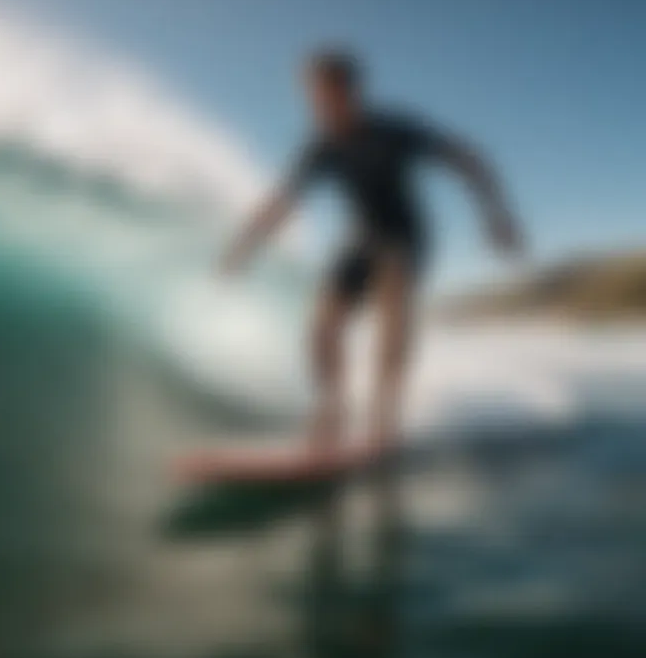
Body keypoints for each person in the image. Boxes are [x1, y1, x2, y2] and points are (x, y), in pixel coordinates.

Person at [219, 49, 524, 460]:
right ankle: (333, 409)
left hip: (403, 236)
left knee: (392, 305)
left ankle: (384, 418)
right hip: (359, 239)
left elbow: (468, 160)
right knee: (322, 328)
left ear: (352, 92)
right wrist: (245, 246)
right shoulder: (321, 147)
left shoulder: (394, 131)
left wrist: (496, 216)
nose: (318, 105)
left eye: (326, 95)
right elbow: (283, 201)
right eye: (312, 96)